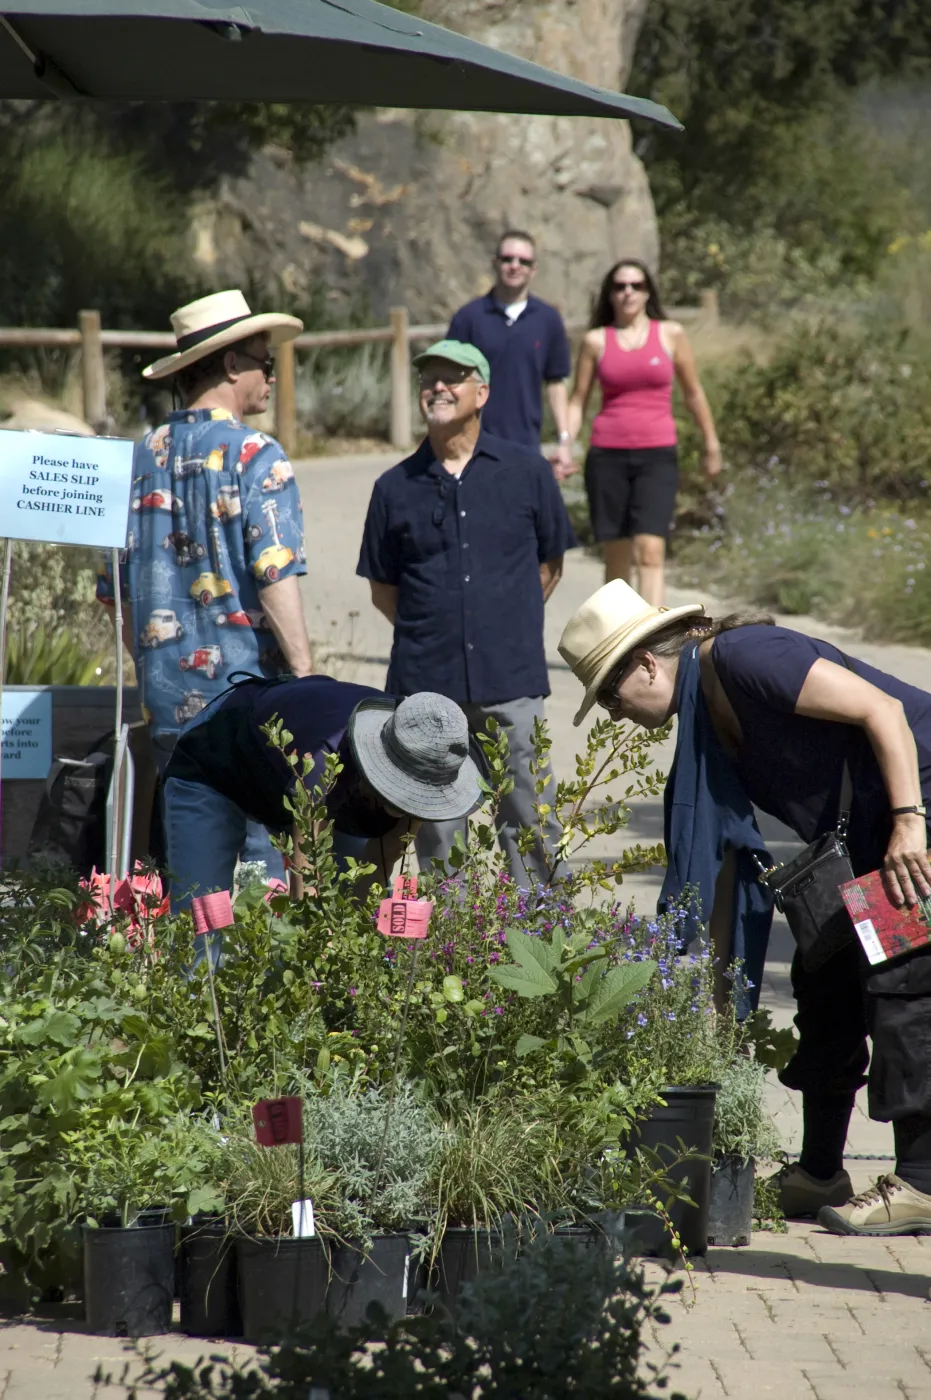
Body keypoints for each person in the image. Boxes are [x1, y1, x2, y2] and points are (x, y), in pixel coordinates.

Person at [559, 579, 931, 1238]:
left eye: (609, 697)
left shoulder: (746, 658)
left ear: (646, 662)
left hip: (916, 804)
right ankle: (820, 1172)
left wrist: (909, 821)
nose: (614, 716)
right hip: (869, 834)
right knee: (825, 979)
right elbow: (723, 864)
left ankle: (921, 1183)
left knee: (900, 987)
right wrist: (710, 1000)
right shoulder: (705, 720)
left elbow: (883, 712)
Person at [97, 289, 314, 888]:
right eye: (265, 362)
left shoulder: (135, 462)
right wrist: (304, 680)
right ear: (230, 365)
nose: (272, 375)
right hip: (250, 708)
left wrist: (152, 667)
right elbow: (275, 576)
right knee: (259, 887)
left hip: (166, 710)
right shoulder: (255, 454)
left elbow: (112, 596)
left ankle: (200, 979)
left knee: (196, 890)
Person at [357, 339, 577, 885]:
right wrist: (441, 630)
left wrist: (500, 620)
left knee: (530, 820)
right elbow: (383, 591)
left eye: (452, 377)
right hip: (426, 687)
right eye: (429, 377)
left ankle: (547, 949)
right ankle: (450, 956)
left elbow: (550, 565)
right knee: (436, 829)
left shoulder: (527, 472)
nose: (438, 386)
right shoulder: (392, 487)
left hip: (512, 678)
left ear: (481, 392)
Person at [164, 676, 483, 930]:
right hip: (214, 762)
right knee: (200, 917)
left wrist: (349, 945)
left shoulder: (428, 756)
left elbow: (375, 869)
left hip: (301, 783)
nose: (410, 803)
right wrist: (318, 950)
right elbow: (306, 884)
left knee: (351, 909)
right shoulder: (326, 758)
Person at [567, 259, 722, 604]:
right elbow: (577, 400)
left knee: (651, 551)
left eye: (635, 286)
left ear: (647, 291)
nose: (628, 293)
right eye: (620, 286)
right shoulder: (595, 341)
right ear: (609, 295)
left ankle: (655, 643)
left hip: (657, 454)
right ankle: (617, 645)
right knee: (617, 556)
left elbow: (693, 392)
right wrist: (566, 444)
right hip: (607, 455)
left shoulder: (670, 334)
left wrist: (712, 443)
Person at [447, 230, 575, 479]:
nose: (515, 266)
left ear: (533, 269)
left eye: (523, 261)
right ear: (495, 263)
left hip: (526, 447)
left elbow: (556, 383)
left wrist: (564, 441)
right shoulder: (468, 318)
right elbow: (447, 383)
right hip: (473, 449)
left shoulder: (547, 319)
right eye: (508, 259)